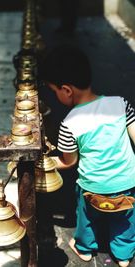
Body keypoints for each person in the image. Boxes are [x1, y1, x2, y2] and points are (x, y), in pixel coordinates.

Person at [39, 44, 135, 267]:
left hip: (93, 187)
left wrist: (44, 161)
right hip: (127, 183)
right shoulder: (120, 104)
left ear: (67, 90)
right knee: (125, 219)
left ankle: (84, 248)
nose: (56, 95)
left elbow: (68, 161)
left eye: (54, 91)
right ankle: (123, 255)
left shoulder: (69, 123)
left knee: (86, 216)